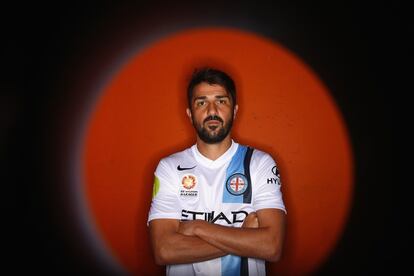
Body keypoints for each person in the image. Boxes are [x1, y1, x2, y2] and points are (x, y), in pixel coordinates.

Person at [147, 67, 286, 276]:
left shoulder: (259, 163)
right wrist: (244, 236)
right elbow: (164, 250)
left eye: (221, 101)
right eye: (201, 102)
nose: (212, 111)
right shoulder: (170, 168)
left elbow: (271, 246)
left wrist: (197, 227)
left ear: (235, 110)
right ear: (190, 114)